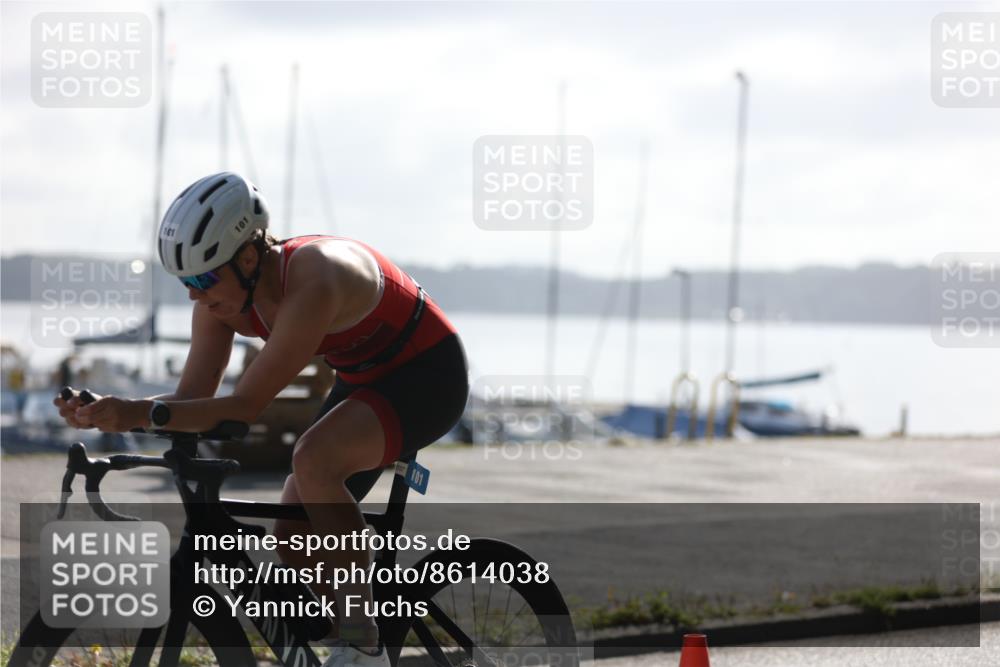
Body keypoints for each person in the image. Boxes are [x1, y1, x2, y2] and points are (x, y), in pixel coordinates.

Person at [53, 172, 470, 667]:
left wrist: (137, 413)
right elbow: (193, 399)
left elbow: (245, 406)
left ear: (248, 258)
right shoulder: (221, 298)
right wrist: (112, 410)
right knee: (292, 540)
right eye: (185, 283)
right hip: (363, 377)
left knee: (314, 460)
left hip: (427, 372)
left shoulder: (316, 278)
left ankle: (365, 644)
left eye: (202, 279)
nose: (193, 295)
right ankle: (344, 637)